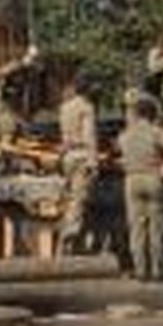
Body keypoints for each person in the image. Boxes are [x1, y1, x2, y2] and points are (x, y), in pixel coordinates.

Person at [117, 94, 163, 281]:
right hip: (153, 177)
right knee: (156, 227)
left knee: (137, 228)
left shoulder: (125, 134)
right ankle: (158, 270)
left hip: (132, 179)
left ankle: (141, 270)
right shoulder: (156, 132)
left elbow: (120, 152)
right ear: (151, 114)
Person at [56, 72, 99, 258]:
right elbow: (89, 135)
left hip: (68, 156)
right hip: (82, 155)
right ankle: (70, 235)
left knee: (69, 196)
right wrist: (93, 160)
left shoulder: (65, 107)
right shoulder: (87, 107)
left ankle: (66, 234)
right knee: (79, 199)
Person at [0, 45, 39, 145]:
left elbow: (26, 91)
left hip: (15, 104)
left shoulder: (29, 71)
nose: (34, 61)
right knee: (9, 130)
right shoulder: (15, 66)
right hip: (5, 104)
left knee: (21, 130)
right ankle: (2, 156)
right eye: (32, 58)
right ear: (27, 56)